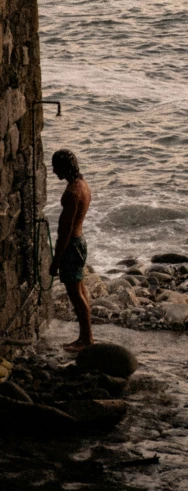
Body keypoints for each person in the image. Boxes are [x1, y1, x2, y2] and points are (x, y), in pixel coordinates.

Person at [49, 149, 94, 352]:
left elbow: (65, 231)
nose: (53, 171)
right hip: (80, 242)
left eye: (55, 166)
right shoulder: (83, 186)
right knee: (81, 291)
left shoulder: (71, 193)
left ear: (64, 168)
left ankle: (86, 339)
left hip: (71, 245)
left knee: (76, 295)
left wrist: (56, 260)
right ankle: (85, 337)